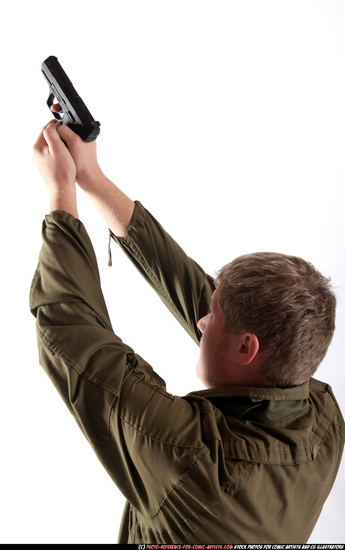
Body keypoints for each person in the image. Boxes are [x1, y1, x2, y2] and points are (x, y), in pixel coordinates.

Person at [30, 118, 344, 544]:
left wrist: (60, 192)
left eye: (212, 317)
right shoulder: (325, 420)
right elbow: (204, 299)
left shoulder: (191, 461)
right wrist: (93, 180)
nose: (201, 320)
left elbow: (72, 335)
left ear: (248, 347)